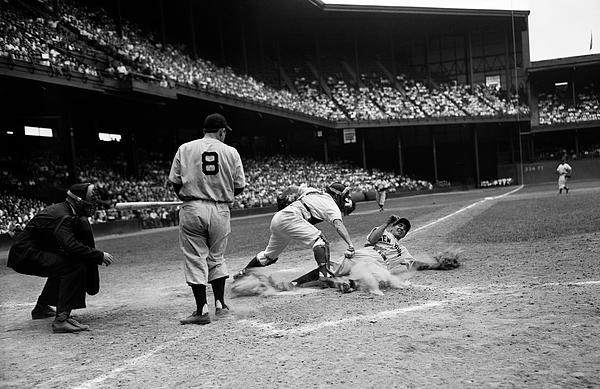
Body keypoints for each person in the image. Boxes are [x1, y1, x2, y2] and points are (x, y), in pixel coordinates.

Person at [169, 113, 246, 325]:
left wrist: (192, 197)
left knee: (195, 257)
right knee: (217, 257)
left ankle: (201, 309)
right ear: (221, 131)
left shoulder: (185, 148)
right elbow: (239, 186)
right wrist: (218, 193)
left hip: (192, 206)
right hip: (220, 208)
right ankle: (220, 305)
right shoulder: (231, 151)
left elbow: (175, 182)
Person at [7, 183, 114, 333]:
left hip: (26, 252)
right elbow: (71, 246)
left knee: (63, 263)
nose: (91, 204)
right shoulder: (65, 216)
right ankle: (62, 319)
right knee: (74, 266)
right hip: (26, 254)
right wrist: (99, 255)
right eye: (89, 200)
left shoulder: (64, 210)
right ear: (77, 200)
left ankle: (41, 308)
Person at [233, 182, 356, 281]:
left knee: (268, 256)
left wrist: (281, 197)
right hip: (292, 218)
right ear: (337, 196)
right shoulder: (331, 205)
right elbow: (338, 225)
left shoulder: (312, 191)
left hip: (278, 218)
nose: (345, 199)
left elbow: (291, 188)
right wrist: (350, 244)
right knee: (321, 242)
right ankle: (325, 276)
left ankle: (243, 273)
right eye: (344, 196)